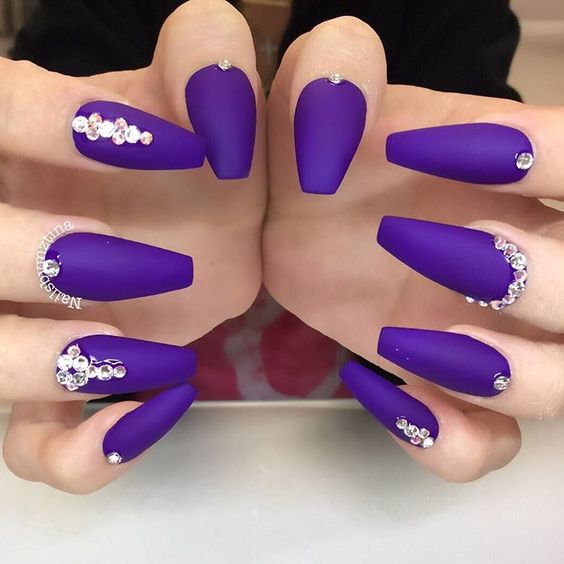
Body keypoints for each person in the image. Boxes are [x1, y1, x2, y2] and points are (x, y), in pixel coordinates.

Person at [1, 0, 561, 492]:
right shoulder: (87, 17)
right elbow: (40, 131)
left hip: (362, 473)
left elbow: (486, 138)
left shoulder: (453, 16)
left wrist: (529, 294)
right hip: (169, 474)